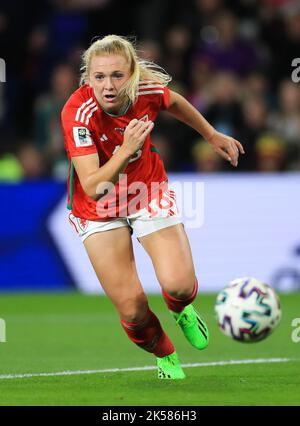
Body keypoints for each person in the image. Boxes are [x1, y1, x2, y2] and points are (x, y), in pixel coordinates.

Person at [61, 35, 244, 379]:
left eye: (117, 75)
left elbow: (173, 102)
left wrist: (210, 134)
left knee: (177, 284)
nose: (108, 85)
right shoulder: (77, 112)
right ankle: (166, 356)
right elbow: (93, 186)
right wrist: (125, 149)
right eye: (99, 77)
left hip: (145, 190)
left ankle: (181, 309)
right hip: (97, 205)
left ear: (131, 75)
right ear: (88, 79)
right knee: (132, 310)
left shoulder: (145, 90)